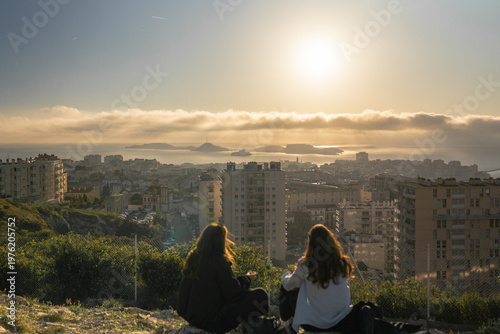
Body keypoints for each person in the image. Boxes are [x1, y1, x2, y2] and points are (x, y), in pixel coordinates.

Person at [176, 223, 269, 334]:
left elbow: (181, 304)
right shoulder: (218, 260)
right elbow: (233, 293)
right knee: (260, 295)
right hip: (215, 323)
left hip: (195, 320)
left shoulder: (192, 259)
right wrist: (248, 279)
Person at [281, 224, 374, 334]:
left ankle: (285, 323)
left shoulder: (306, 264)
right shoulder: (341, 262)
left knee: (288, 285)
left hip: (312, 325)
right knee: (299, 282)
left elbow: (288, 285)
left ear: (310, 243)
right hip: (341, 321)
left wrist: (286, 275)